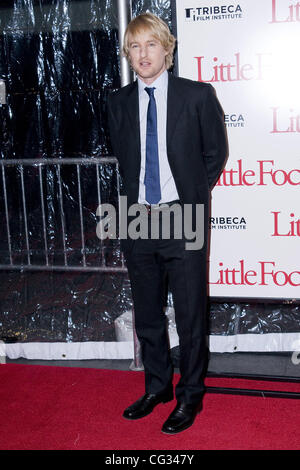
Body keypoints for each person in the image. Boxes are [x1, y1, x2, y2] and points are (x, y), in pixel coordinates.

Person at [107, 12, 227, 434]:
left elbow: (215, 154)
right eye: (135, 46)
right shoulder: (117, 102)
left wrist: (189, 195)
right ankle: (157, 386)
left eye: (151, 45)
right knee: (149, 312)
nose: (143, 54)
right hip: (137, 217)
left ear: (167, 50)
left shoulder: (196, 96)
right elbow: (125, 164)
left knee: (191, 313)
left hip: (183, 214)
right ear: (128, 53)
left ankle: (190, 396)